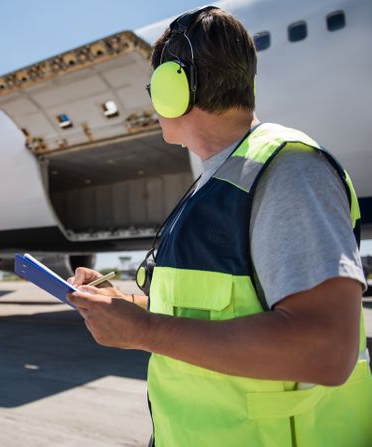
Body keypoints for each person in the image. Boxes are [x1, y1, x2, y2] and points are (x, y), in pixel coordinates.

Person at [66, 6, 372, 447]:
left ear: (174, 90)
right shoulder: (224, 178)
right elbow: (210, 308)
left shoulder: (287, 171)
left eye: (154, 88)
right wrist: (122, 303)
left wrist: (142, 332)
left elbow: (326, 350)